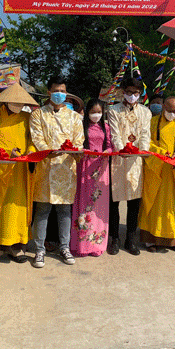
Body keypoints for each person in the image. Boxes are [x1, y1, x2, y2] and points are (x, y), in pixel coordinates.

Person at [0, 83, 38, 268]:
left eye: (21, 103)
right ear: (5, 101)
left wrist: (27, 152)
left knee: (18, 211)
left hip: (20, 172)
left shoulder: (27, 118)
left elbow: (33, 140)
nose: (18, 105)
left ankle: (17, 248)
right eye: (14, 102)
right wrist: (5, 152)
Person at [30, 76, 85, 268]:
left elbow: (79, 140)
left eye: (63, 90)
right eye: (56, 90)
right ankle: (39, 249)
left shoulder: (75, 117)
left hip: (67, 169)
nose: (60, 94)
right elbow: (37, 138)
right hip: (46, 167)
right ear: (49, 92)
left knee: (64, 210)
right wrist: (48, 151)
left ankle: (64, 247)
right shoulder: (38, 115)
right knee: (42, 209)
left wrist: (76, 151)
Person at [106, 76, 152, 255]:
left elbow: (145, 134)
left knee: (134, 203)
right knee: (114, 202)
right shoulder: (113, 110)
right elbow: (115, 134)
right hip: (118, 160)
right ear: (122, 92)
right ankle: (114, 238)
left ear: (140, 94)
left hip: (136, 162)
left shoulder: (146, 112)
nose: (133, 95)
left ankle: (130, 239)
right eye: (129, 92)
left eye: (136, 93)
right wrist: (122, 149)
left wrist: (143, 151)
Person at [140, 96, 175, 252]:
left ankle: (173, 241)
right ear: (163, 107)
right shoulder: (152, 122)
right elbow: (146, 143)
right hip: (156, 170)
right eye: (169, 110)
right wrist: (162, 154)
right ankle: (150, 241)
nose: (172, 113)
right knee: (153, 204)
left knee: (173, 206)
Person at [70, 98, 113, 257]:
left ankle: (96, 244)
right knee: (83, 202)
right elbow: (77, 143)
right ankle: (81, 244)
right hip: (84, 167)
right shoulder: (82, 126)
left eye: (99, 112)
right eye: (93, 112)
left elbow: (110, 145)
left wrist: (107, 151)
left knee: (98, 205)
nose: (96, 115)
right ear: (87, 112)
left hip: (101, 168)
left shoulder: (106, 127)